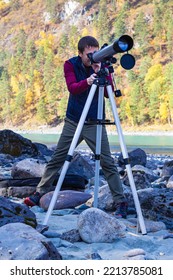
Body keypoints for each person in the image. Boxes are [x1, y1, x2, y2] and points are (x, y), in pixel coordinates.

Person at [24, 36, 128, 218]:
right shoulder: (70, 64)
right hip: (74, 120)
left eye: (96, 52)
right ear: (80, 54)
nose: (93, 57)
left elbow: (108, 92)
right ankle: (40, 192)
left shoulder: (101, 65)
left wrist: (101, 72)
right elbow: (72, 87)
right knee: (58, 158)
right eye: (89, 54)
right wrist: (88, 80)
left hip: (94, 121)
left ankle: (121, 202)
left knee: (107, 161)